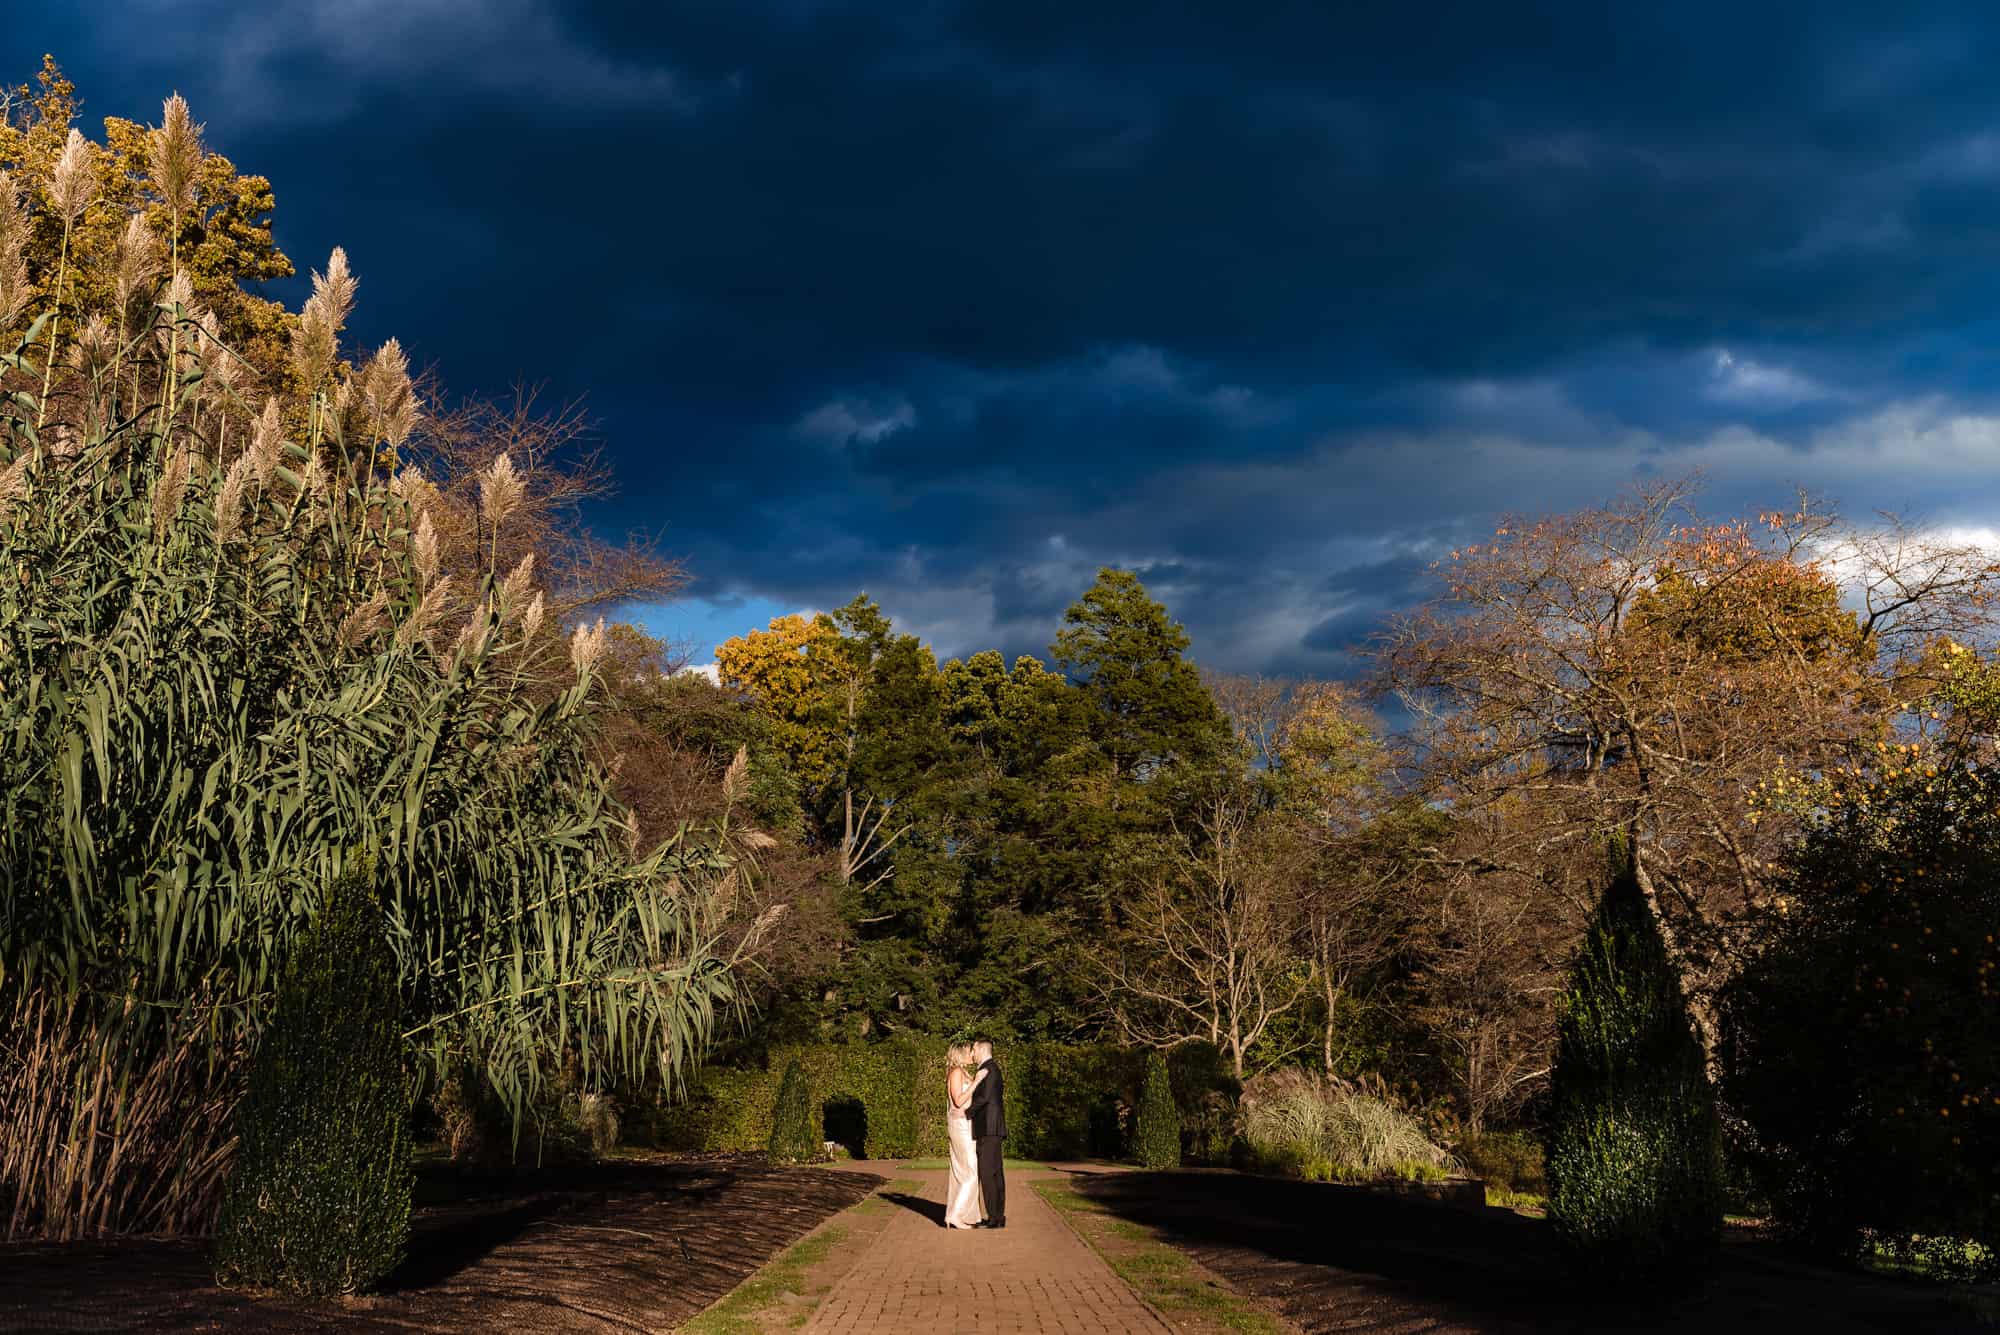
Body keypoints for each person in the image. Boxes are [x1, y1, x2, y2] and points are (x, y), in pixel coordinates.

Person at [942, 1043, 986, 1229]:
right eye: (969, 1052)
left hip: (966, 1124)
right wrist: (976, 1082)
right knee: (970, 1170)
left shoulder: (962, 1072)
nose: (972, 1055)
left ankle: (968, 1215)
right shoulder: (956, 1073)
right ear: (960, 1054)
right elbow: (959, 1101)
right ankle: (955, 1215)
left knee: (962, 1171)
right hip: (960, 1126)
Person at [965, 1038, 1006, 1228]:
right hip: (992, 1128)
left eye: (974, 1049)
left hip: (988, 1128)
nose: (972, 1053)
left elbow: (984, 1097)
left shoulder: (989, 1069)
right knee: (995, 1173)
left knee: (988, 1173)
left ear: (981, 1049)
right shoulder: (992, 1068)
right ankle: (997, 1217)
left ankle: (993, 1217)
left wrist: (966, 1112)